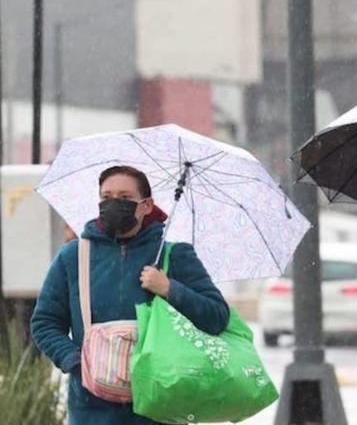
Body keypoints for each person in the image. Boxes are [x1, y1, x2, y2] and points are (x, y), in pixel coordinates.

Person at [31, 165, 230, 425]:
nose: (114, 204)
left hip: (160, 406)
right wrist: (78, 364)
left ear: (146, 205)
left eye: (125, 198)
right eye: (106, 197)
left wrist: (170, 289)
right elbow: (44, 323)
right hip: (92, 410)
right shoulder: (73, 257)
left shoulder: (176, 256)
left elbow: (216, 317)